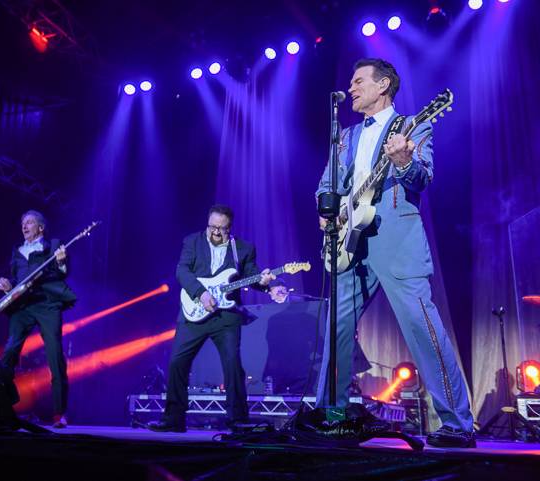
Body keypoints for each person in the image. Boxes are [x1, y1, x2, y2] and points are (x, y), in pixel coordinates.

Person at [315, 59, 476, 448]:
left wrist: (403, 161)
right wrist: (327, 210)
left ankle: (457, 424)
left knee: (422, 326)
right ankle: (332, 417)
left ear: (383, 85)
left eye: (359, 81)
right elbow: (327, 183)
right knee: (336, 331)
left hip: (397, 239)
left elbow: (423, 176)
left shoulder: (413, 125)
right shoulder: (346, 135)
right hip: (349, 244)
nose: (351, 88)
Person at [147, 204, 275, 432]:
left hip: (225, 316)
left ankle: (238, 419)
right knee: (177, 362)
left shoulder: (244, 248)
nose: (216, 232)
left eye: (221, 229)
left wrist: (263, 282)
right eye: (212, 227)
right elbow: (182, 271)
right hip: (194, 310)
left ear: (230, 228)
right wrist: (201, 293)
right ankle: (174, 418)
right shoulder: (192, 241)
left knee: (232, 364)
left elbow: (252, 276)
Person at [0, 210, 78, 429]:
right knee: (10, 351)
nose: (24, 226)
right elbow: (16, 280)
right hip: (23, 307)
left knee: (55, 354)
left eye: (29, 223)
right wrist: (8, 287)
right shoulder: (17, 250)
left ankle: (60, 413)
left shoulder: (54, 245)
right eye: (23, 223)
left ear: (41, 228)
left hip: (47, 305)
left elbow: (63, 272)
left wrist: (61, 262)